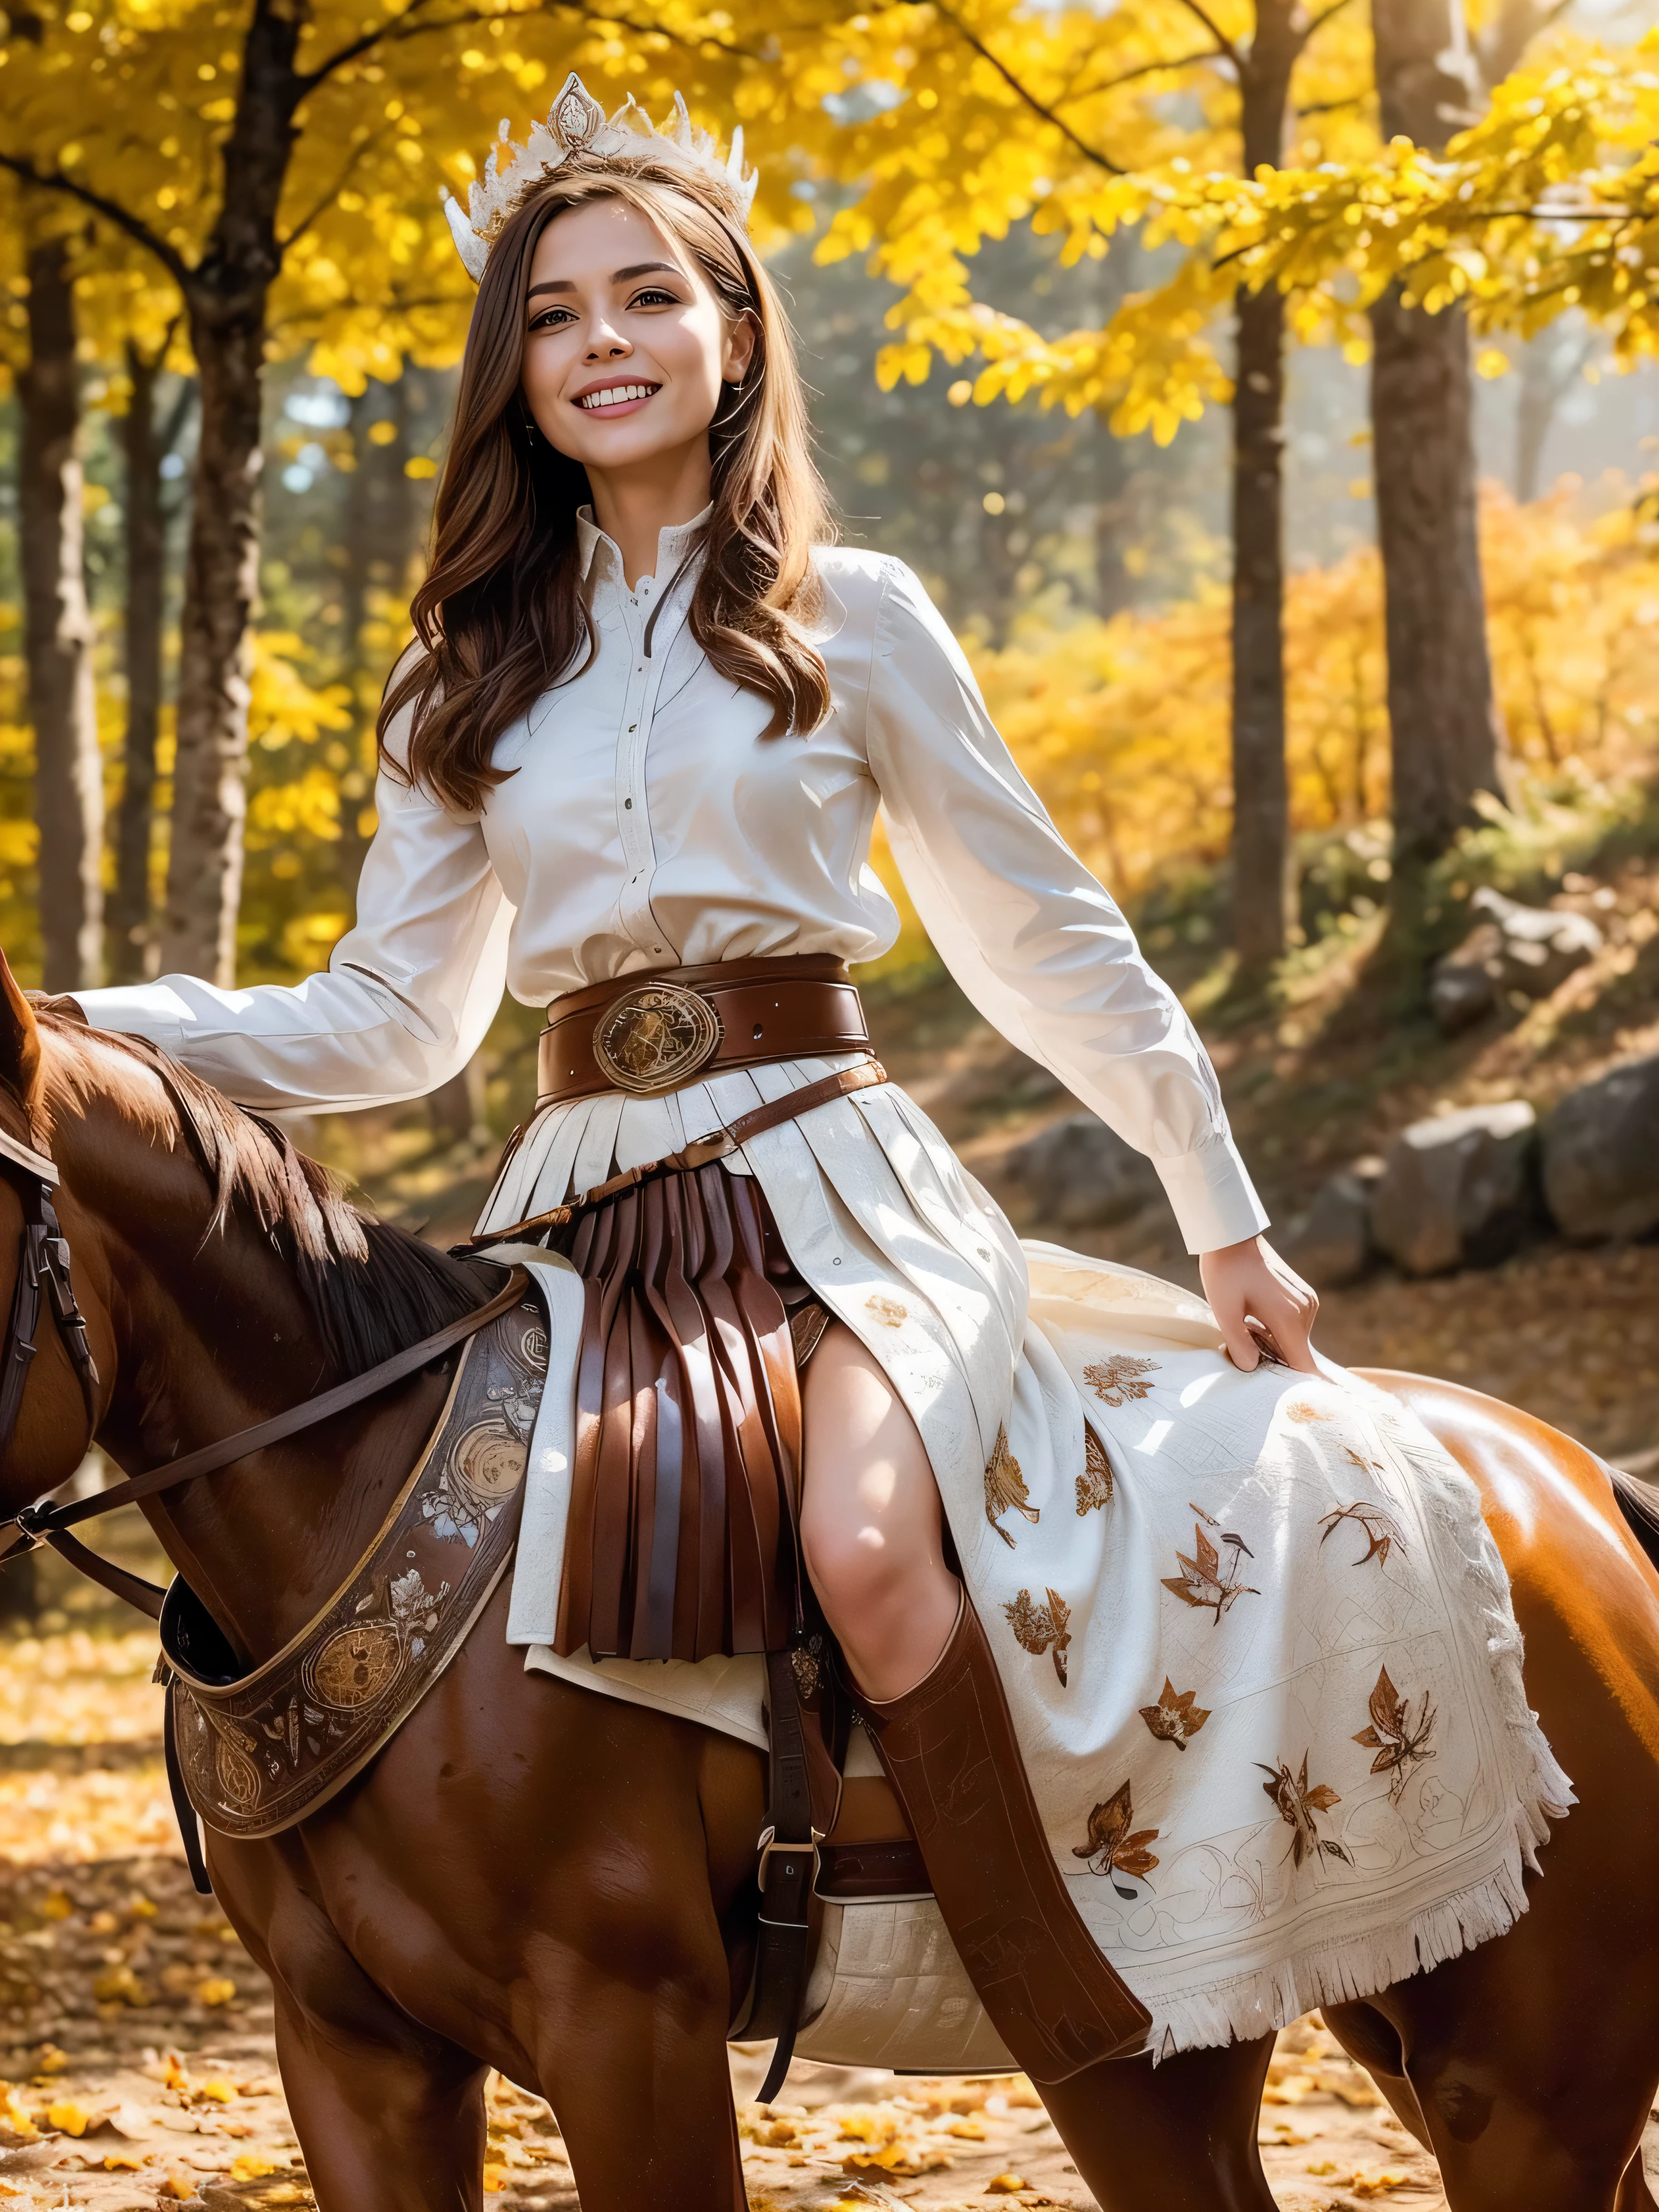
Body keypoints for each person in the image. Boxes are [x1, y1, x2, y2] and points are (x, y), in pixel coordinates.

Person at [73, 79, 1556, 2087]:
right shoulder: (461, 678)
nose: (602, 341)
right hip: (580, 1213)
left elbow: (1042, 938)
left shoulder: (851, 622)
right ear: (512, 370)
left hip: (835, 1188)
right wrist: (94, 1030)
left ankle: (1069, 1998)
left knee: (864, 1546)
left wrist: (1222, 1208)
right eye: (554, 312)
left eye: (646, 297)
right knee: (465, 1569)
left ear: (735, 332)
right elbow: (391, 1025)